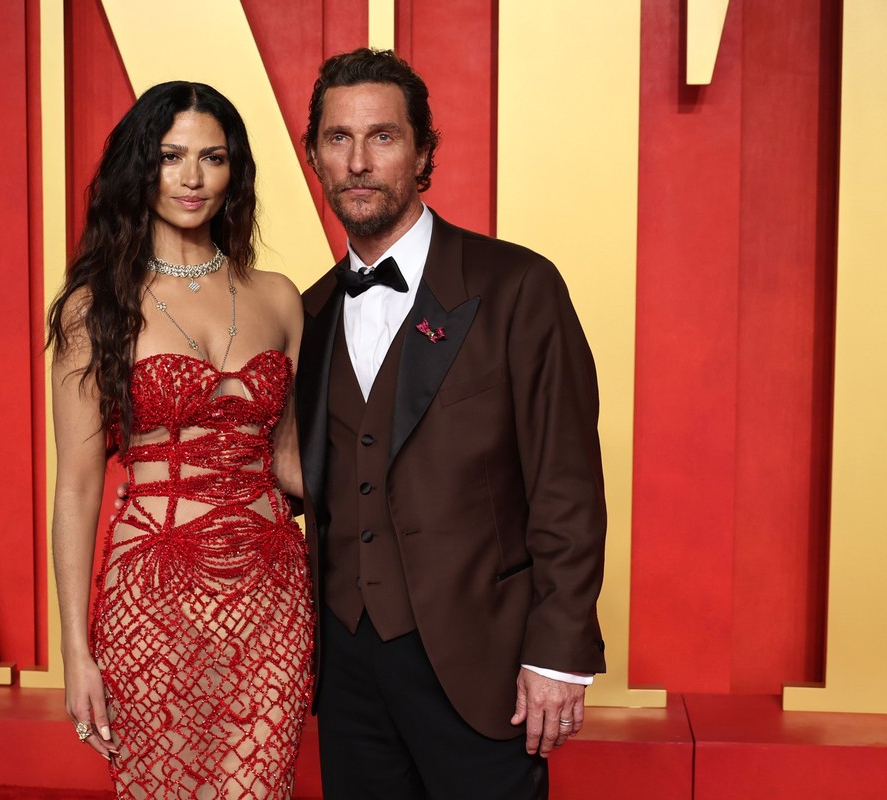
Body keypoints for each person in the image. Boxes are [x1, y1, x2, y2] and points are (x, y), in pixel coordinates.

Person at [295, 49, 607, 799]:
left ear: (424, 150)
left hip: (482, 660)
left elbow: (565, 482)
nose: (359, 162)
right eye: (338, 139)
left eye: (384, 136)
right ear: (313, 155)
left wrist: (558, 657)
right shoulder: (306, 313)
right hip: (345, 667)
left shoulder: (516, 287)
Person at [47, 80, 313, 799]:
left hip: (273, 598)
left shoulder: (280, 298)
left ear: (236, 171)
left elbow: (291, 462)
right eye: (171, 157)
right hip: (151, 597)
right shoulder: (94, 307)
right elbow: (75, 488)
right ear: (142, 167)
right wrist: (76, 651)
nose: (193, 178)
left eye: (213, 157)